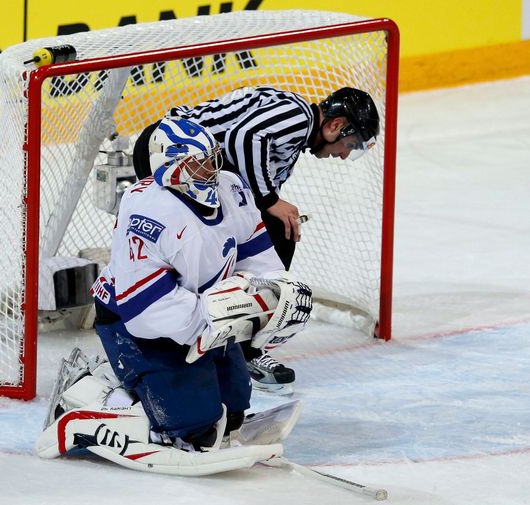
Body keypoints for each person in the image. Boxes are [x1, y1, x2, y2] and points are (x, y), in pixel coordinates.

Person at [40, 118, 310, 472]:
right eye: (200, 164)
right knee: (192, 427)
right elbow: (146, 309)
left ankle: (153, 387)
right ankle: (91, 392)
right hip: (131, 320)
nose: (212, 172)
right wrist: (218, 319)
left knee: (233, 411)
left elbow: (257, 256)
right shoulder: (148, 209)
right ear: (173, 169)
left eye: (214, 159)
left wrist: (272, 300)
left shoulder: (232, 189)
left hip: (199, 314)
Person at [132, 86, 380, 394]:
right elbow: (244, 137)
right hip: (167, 152)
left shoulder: (293, 137)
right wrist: (270, 200)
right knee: (257, 231)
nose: (344, 155)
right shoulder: (298, 115)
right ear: (334, 125)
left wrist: (266, 205)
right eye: (350, 143)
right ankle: (215, 341)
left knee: (271, 231)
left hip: (179, 159)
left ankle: (233, 342)